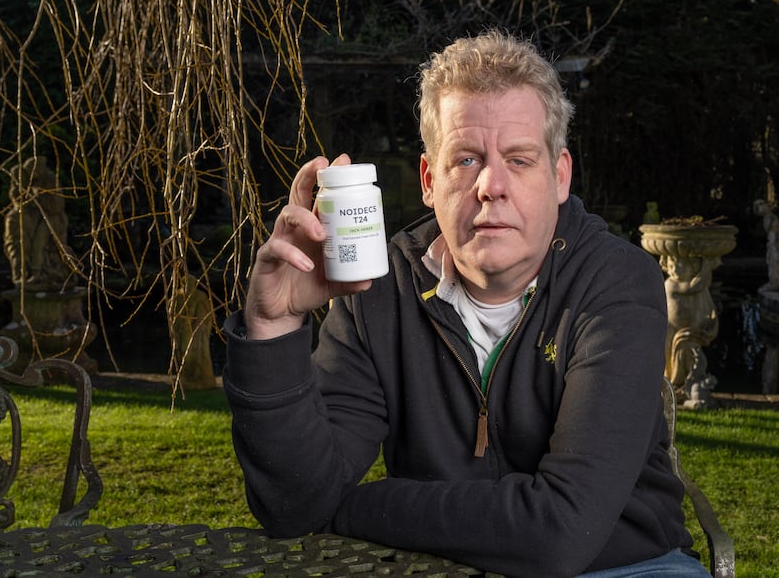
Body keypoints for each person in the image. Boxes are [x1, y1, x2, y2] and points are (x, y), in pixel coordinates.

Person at [223, 30, 710, 577]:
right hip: (440, 564)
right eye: (467, 159)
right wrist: (273, 326)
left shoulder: (615, 283)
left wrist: (352, 508)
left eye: (520, 160)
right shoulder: (377, 290)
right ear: (430, 180)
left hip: (627, 566)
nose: (491, 186)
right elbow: (294, 504)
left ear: (560, 177)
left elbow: (562, 532)